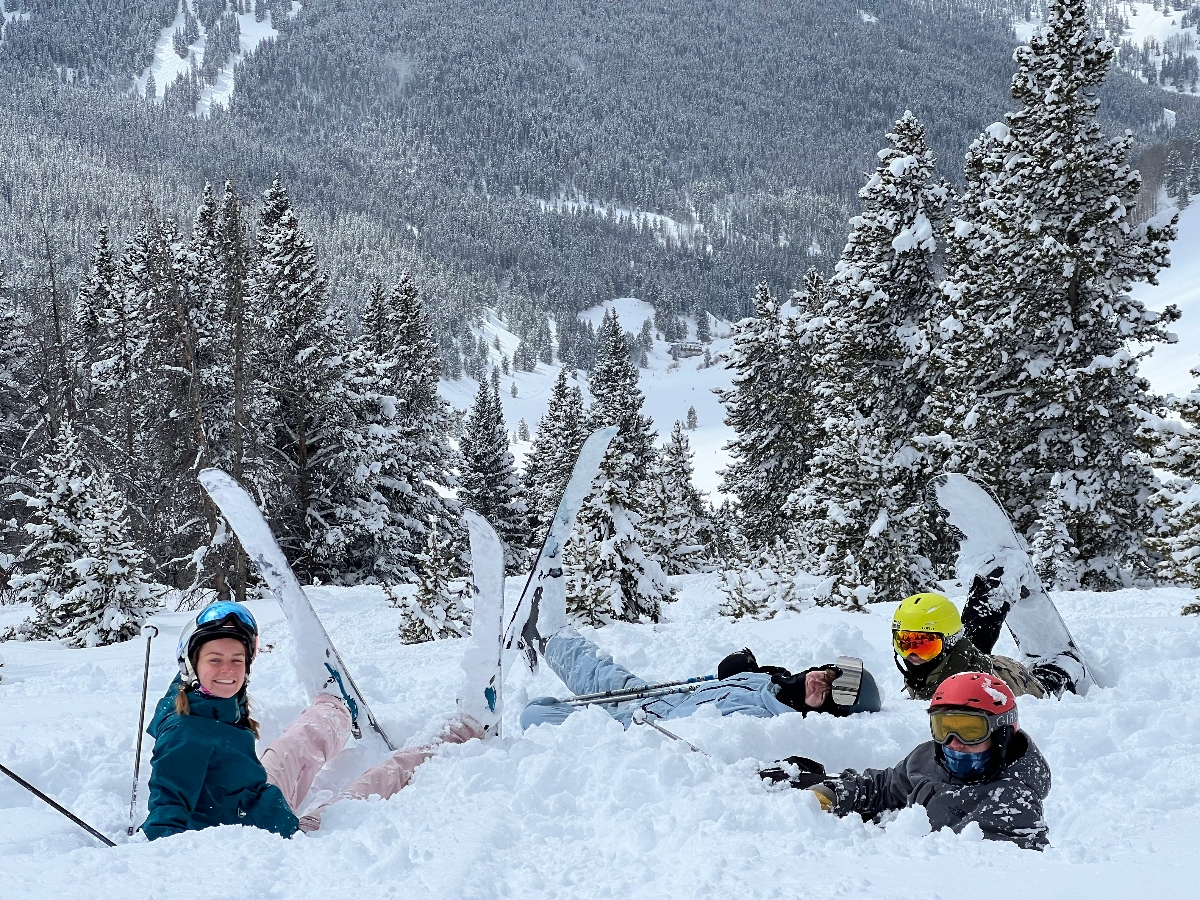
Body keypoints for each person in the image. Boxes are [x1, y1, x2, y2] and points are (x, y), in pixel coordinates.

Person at [142, 601, 481, 840]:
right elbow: (164, 827)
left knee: (292, 746)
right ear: (191, 664)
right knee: (378, 781)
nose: (228, 670)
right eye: (215, 660)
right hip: (275, 837)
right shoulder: (184, 734)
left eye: (237, 660)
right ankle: (456, 735)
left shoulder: (207, 699)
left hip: (256, 799)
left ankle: (333, 708)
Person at [760, 671, 1052, 850]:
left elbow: (979, 874)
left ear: (1001, 734)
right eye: (943, 728)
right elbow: (886, 785)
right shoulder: (931, 759)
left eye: (970, 730)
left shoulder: (1014, 803)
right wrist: (832, 793)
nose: (953, 742)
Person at [519, 615, 881, 731]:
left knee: (535, 713)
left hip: (635, 731)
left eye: (833, 694)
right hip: (650, 696)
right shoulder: (773, 681)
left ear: (827, 713)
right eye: (832, 673)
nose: (823, 682)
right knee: (599, 670)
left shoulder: (765, 726)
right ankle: (544, 636)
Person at [892, 565, 1080, 700]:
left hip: (1016, 681)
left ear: (947, 643)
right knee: (973, 640)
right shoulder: (924, 666)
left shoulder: (982, 686)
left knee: (1047, 685)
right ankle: (992, 593)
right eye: (904, 644)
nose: (913, 654)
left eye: (925, 645)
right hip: (966, 660)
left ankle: (1065, 665)